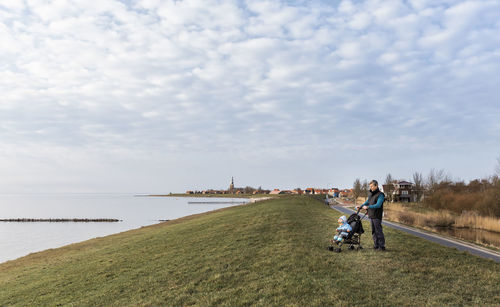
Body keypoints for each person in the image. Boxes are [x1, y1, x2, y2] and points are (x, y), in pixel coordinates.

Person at [356, 180, 386, 251]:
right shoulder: (370, 194)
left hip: (377, 215)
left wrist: (369, 207)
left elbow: (378, 205)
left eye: (372, 186)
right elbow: (367, 202)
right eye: (370, 186)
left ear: (376, 186)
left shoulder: (380, 195)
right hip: (371, 215)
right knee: (373, 231)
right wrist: (360, 207)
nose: (371, 187)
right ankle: (376, 245)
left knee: (378, 231)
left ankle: (381, 246)